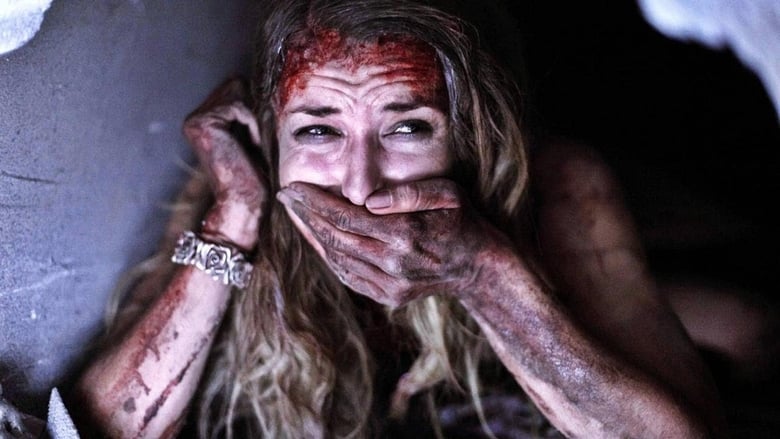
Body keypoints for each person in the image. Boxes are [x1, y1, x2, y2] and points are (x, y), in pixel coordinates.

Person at [71, 0, 729, 437]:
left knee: (751, 331)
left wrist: (483, 274)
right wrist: (236, 216)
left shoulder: (558, 184)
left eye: (408, 127)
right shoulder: (246, 180)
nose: (361, 184)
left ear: (467, 134)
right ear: (274, 137)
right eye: (319, 130)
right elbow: (96, 428)